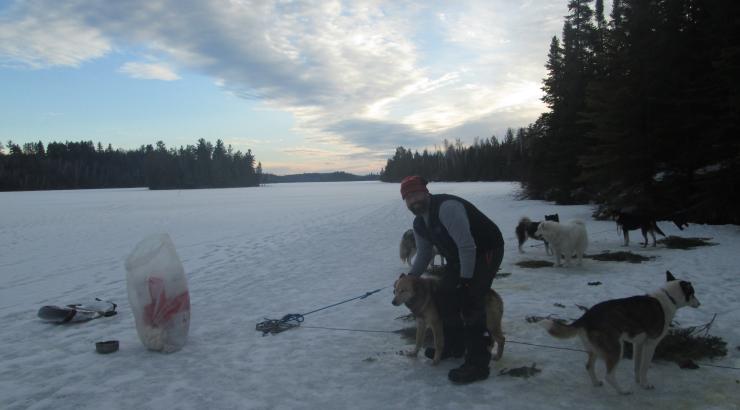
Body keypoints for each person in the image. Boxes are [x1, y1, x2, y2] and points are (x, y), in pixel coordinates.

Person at [400, 175, 504, 384]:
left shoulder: (447, 208)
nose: (413, 200)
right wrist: (411, 278)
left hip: (485, 250)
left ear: (426, 192)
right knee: (444, 295)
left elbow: (468, 246)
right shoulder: (419, 222)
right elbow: (424, 253)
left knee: (470, 300)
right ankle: (453, 345)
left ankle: (478, 363)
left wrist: (465, 281)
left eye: (416, 194)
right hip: (458, 254)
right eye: (408, 197)